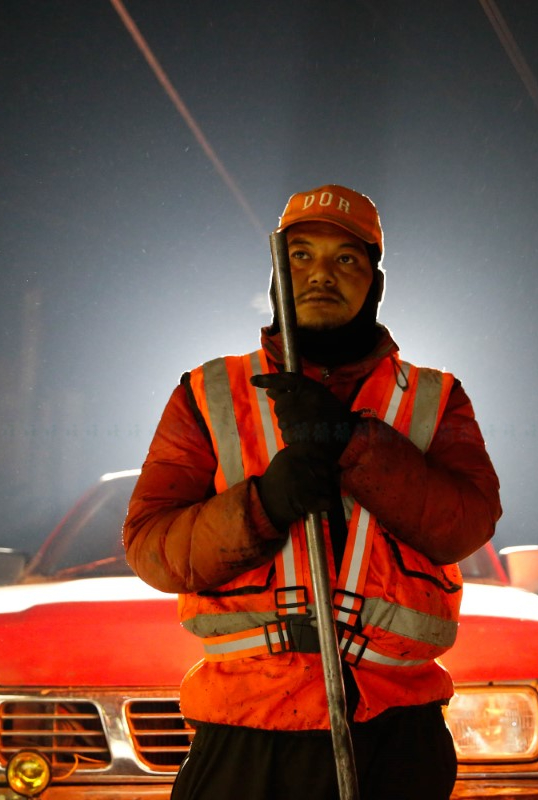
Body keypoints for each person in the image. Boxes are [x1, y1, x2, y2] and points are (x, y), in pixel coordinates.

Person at [123, 183, 501, 800]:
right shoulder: (207, 391)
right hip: (246, 734)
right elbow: (151, 548)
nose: (321, 274)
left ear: (374, 285)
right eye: (300, 256)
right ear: (275, 274)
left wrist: (350, 441)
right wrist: (263, 504)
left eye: (346, 259)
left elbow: (465, 525)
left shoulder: (434, 397)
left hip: (396, 733)